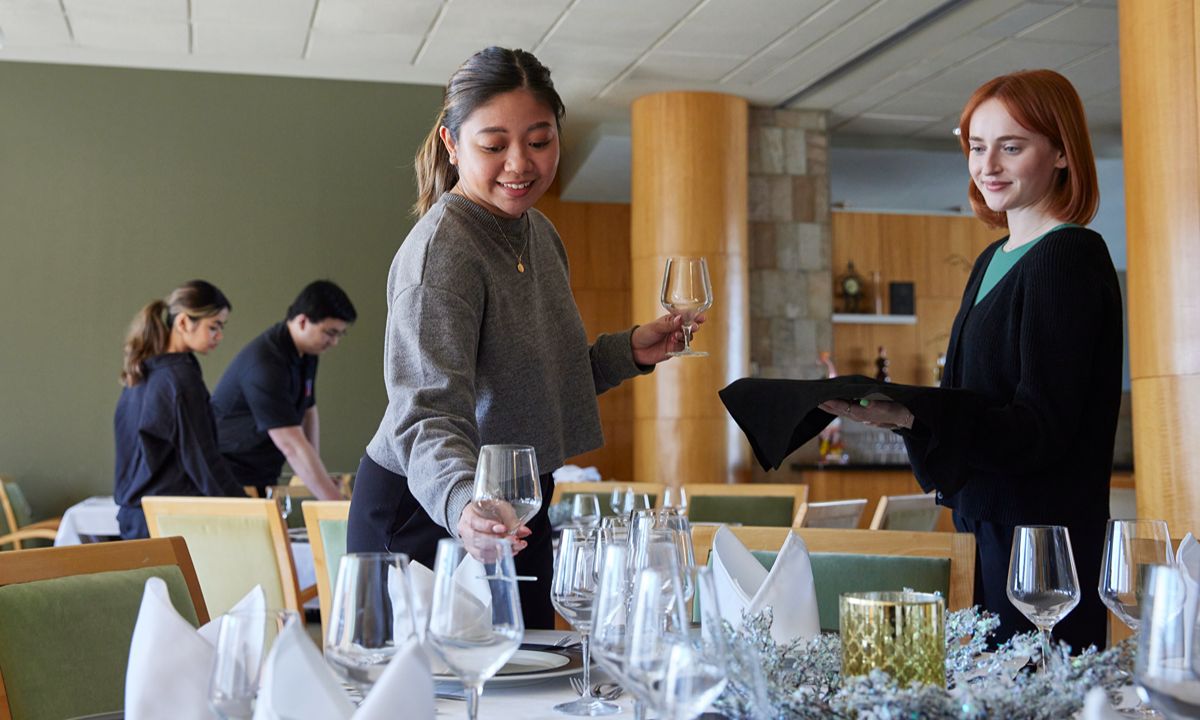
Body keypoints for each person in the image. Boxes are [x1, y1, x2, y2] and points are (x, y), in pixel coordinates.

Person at [347, 46, 699, 628]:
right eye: (494, 145)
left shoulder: (538, 232)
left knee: (533, 667)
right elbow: (426, 411)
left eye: (539, 141)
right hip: (432, 508)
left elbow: (538, 381)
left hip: (520, 501)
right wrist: (463, 504)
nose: (520, 163)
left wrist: (629, 350)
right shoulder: (442, 254)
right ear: (451, 143)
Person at [819, 69, 1122, 651]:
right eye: (978, 148)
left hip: (1040, 552)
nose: (988, 166)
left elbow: (1040, 431)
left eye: (1012, 147)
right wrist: (901, 414)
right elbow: (966, 403)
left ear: (1062, 152)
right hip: (982, 532)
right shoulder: (990, 260)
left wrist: (915, 414)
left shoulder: (1067, 256)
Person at [114, 280, 247, 540]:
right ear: (184, 322)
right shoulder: (180, 378)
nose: (219, 336)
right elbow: (203, 459)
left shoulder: (141, 372)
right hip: (166, 524)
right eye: (214, 326)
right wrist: (250, 510)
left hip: (134, 521)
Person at [211, 280, 356, 500]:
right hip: (230, 480)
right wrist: (334, 501)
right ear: (303, 321)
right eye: (330, 332)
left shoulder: (307, 354)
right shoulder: (265, 363)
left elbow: (308, 410)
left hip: (262, 475)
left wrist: (317, 477)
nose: (334, 342)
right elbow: (290, 444)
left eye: (340, 334)